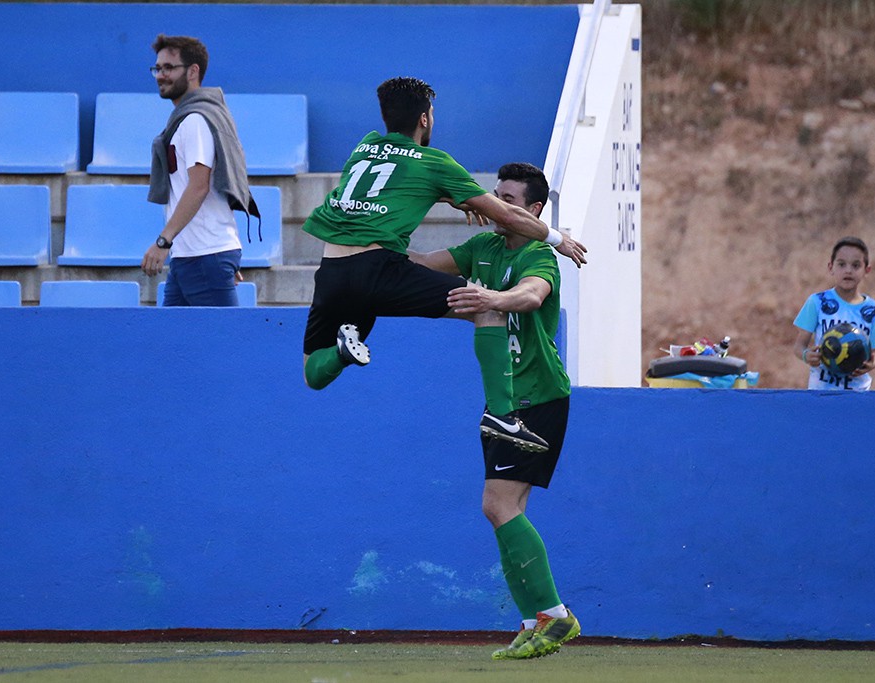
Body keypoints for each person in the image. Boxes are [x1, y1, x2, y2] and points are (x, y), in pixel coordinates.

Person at [301, 76, 587, 450]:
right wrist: (558, 238)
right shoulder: (435, 162)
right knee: (486, 307)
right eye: (431, 113)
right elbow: (509, 216)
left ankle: (342, 352)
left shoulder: (365, 147)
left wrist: (451, 197)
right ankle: (503, 415)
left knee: (312, 372)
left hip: (332, 271)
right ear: (425, 119)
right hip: (380, 270)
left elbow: (391, 185)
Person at [409, 162, 579, 660]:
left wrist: (493, 297)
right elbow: (423, 263)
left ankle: (555, 616)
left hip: (537, 397)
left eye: (508, 198)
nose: (496, 205)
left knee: (498, 505)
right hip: (504, 398)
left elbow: (531, 296)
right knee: (503, 508)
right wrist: (376, 246)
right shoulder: (482, 248)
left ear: (533, 212)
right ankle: (534, 621)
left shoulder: (537, 254)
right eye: (495, 196)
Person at [142, 34, 260, 306]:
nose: (161, 75)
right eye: (157, 68)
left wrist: (163, 243)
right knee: (174, 345)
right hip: (192, 257)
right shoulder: (185, 118)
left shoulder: (195, 120)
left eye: (169, 68)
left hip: (204, 256)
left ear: (193, 71)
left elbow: (198, 186)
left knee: (224, 346)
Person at [792, 236, 875, 390]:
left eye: (856, 265)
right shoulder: (818, 302)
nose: (848, 270)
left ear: (866, 270)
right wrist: (807, 356)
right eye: (842, 264)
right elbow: (799, 346)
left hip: (857, 393)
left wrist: (870, 364)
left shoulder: (872, 309)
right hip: (821, 391)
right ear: (831, 267)